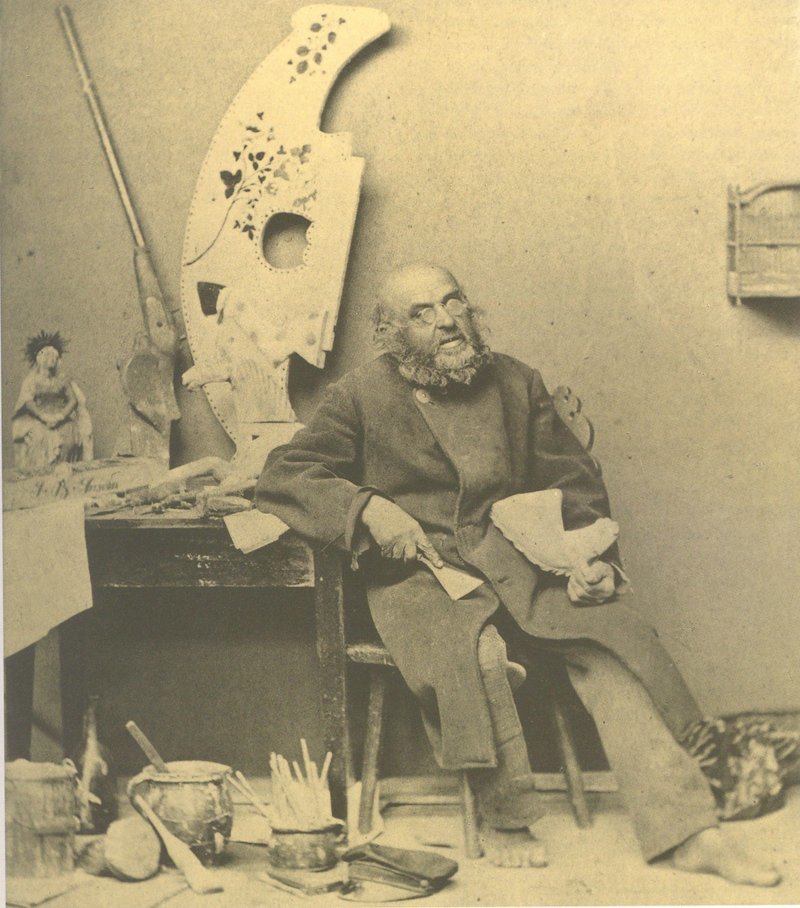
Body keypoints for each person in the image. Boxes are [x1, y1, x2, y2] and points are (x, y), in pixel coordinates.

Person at [256, 262, 780, 886]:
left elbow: (573, 482)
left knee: (609, 641)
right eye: (422, 314)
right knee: (473, 654)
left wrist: (589, 558)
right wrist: (369, 508)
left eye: (453, 302)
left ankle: (689, 831)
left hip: (520, 564)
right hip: (422, 577)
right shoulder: (360, 395)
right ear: (389, 333)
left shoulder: (516, 381)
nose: (446, 321)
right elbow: (285, 473)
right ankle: (506, 818)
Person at [12, 331, 92, 474]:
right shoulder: (32, 380)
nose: (52, 359)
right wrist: (44, 417)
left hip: (62, 419)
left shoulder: (63, 379)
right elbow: (28, 402)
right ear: (40, 358)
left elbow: (73, 400)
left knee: (69, 437)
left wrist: (60, 416)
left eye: (55, 356)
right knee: (38, 438)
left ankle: (67, 475)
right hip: (39, 420)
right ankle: (40, 477)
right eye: (48, 355)